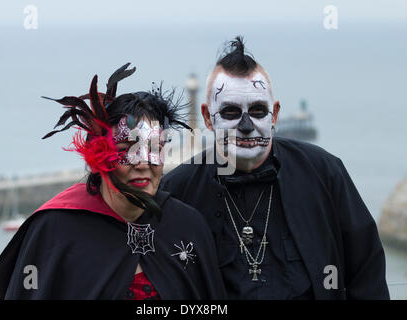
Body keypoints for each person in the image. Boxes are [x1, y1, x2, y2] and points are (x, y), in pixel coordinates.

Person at [160, 37, 390, 299]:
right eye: (231, 112)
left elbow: (366, 271)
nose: (246, 126)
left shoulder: (324, 173)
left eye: (258, 111)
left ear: (275, 114)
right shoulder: (178, 190)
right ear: (207, 117)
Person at [0, 63, 227, 300]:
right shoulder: (54, 230)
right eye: (125, 149)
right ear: (98, 156)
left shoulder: (187, 227)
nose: (142, 162)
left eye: (154, 148)